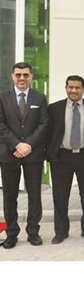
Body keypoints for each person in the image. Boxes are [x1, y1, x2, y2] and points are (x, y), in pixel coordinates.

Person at [47, 75, 84, 244]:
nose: (74, 90)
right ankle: (61, 232)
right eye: (70, 87)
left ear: (83, 89)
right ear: (66, 88)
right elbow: (48, 133)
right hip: (62, 157)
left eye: (77, 87)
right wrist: (49, 155)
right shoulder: (54, 108)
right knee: (60, 196)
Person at [0, 62, 48, 249]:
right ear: (13, 76)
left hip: (33, 153)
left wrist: (28, 144)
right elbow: (1, 125)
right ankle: (11, 233)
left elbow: (44, 124)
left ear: (31, 76)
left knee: (34, 195)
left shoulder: (39, 97)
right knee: (10, 195)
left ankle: (33, 232)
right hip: (9, 153)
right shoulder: (3, 97)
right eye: (18, 74)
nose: (22, 78)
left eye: (25, 75)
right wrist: (17, 144)